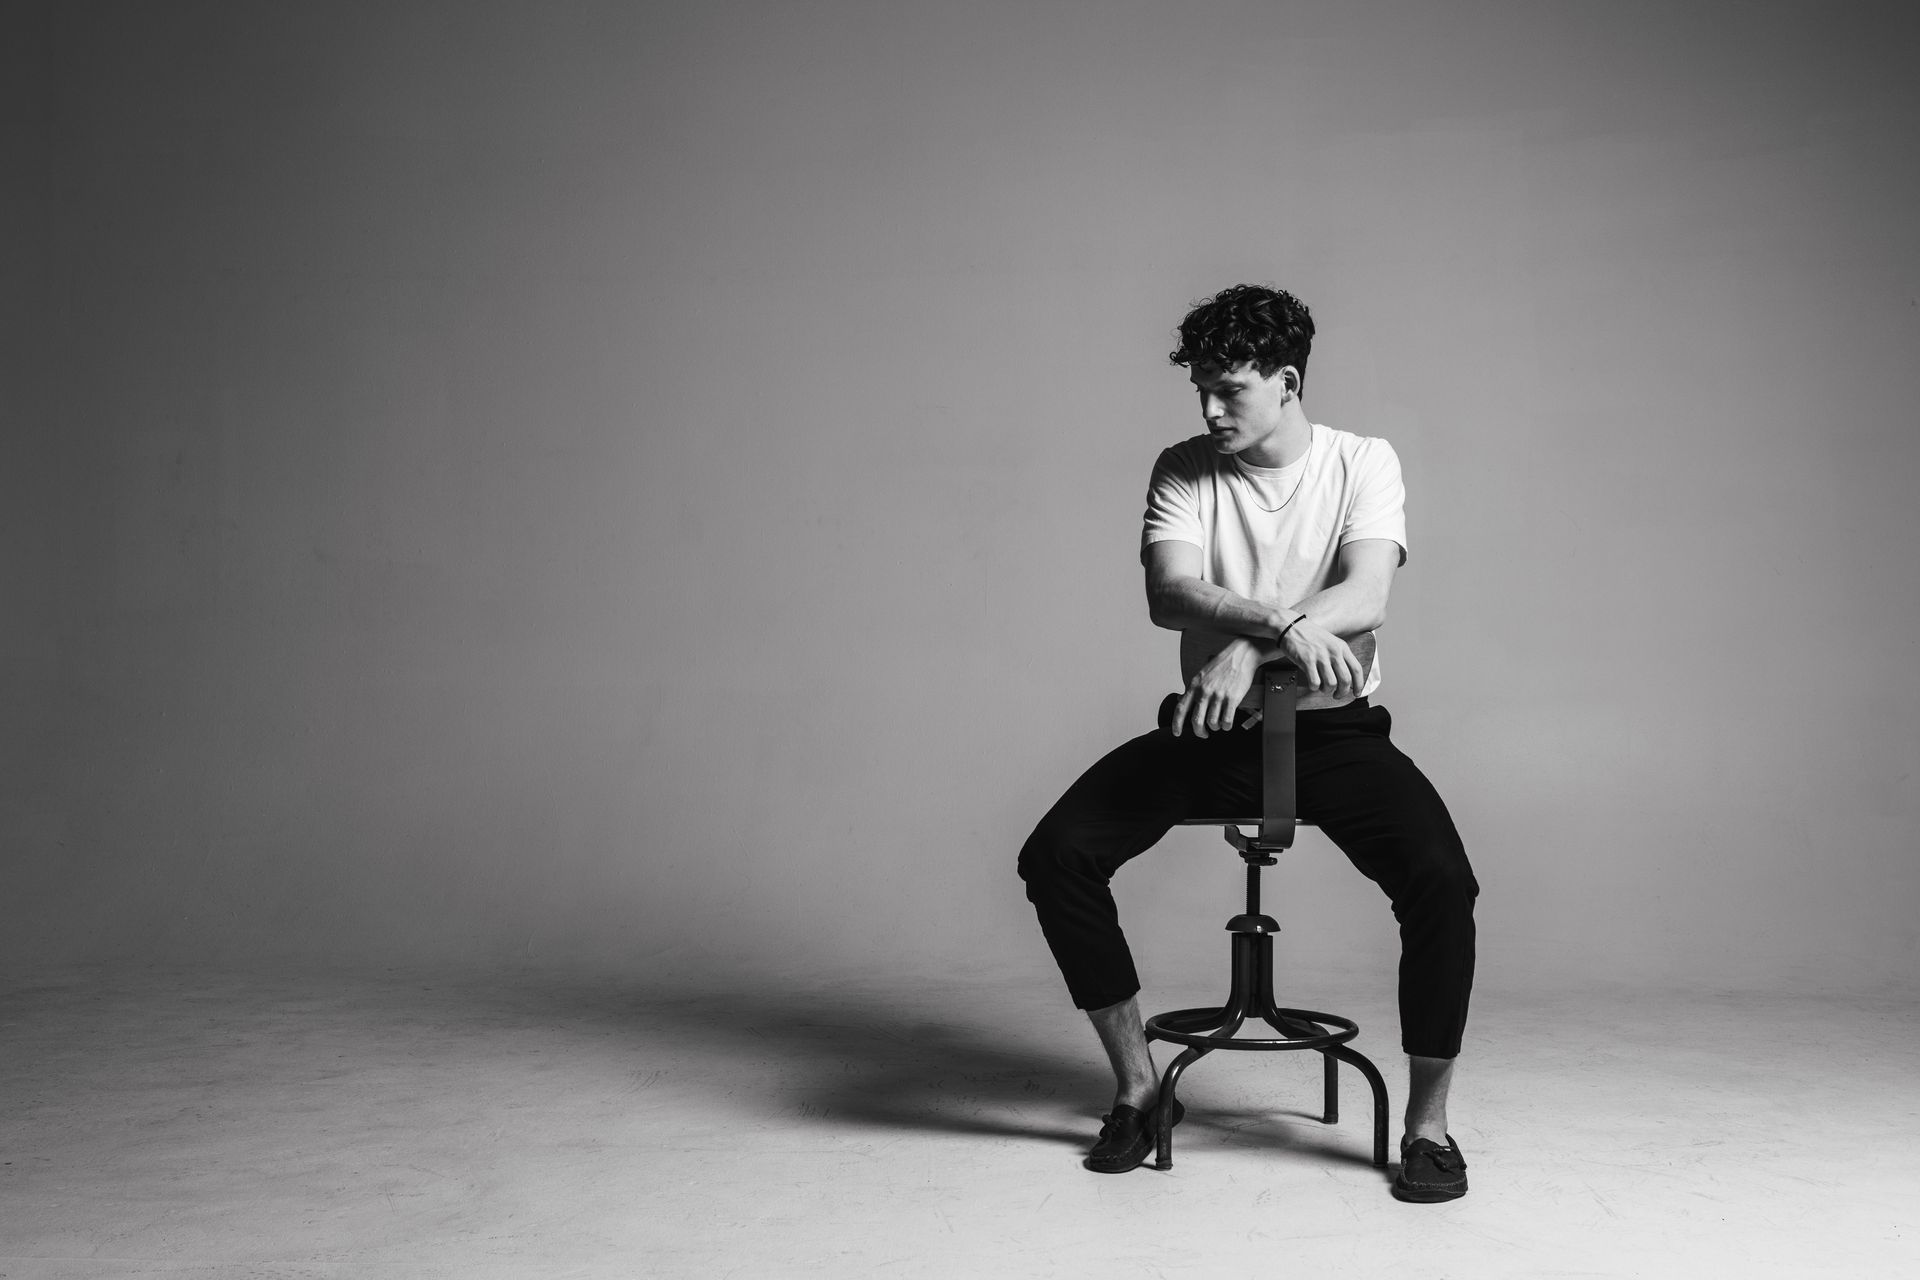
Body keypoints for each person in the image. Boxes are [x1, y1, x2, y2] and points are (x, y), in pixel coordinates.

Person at [1016, 284, 1479, 1202]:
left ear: (1287, 381)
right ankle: (1140, 1090)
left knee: (1442, 882)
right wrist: (1274, 624)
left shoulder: (1362, 461)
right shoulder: (1183, 465)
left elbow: (1368, 595)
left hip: (1333, 733)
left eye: (1229, 389)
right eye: (1200, 389)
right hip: (1210, 729)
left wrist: (1249, 647)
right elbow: (1167, 591)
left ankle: (1428, 1129)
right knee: (1055, 856)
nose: (1209, 408)